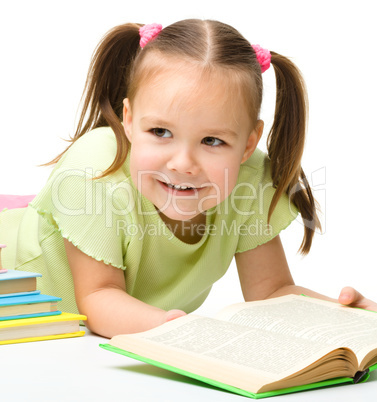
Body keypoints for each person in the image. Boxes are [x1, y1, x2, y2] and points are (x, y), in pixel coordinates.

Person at [0, 20, 376, 338]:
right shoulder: (93, 170)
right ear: (129, 120)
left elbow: (272, 290)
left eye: (212, 140)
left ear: (247, 144)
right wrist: (172, 328)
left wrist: (345, 318)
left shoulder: (249, 181)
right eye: (161, 131)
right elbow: (98, 296)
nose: (183, 163)